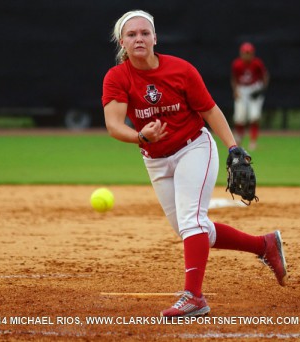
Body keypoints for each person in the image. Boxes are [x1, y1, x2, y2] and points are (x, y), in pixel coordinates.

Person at [102, 10, 286, 318]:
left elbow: (211, 111)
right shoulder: (117, 77)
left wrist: (234, 147)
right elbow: (113, 125)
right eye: (131, 34)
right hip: (155, 159)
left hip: (194, 148)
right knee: (191, 229)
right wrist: (140, 137)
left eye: (145, 33)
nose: (139, 38)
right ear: (122, 41)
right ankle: (264, 245)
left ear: (155, 38)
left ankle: (194, 297)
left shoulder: (181, 70)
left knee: (192, 222)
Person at [231, 42, 269, 151]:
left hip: (254, 89)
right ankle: (238, 139)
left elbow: (265, 76)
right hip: (242, 89)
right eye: (245, 53)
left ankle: (253, 142)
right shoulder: (237, 64)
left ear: (252, 53)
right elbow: (234, 78)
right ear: (241, 53)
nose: (247, 55)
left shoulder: (257, 63)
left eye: (249, 53)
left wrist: (261, 89)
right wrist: (235, 90)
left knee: (254, 116)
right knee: (239, 117)